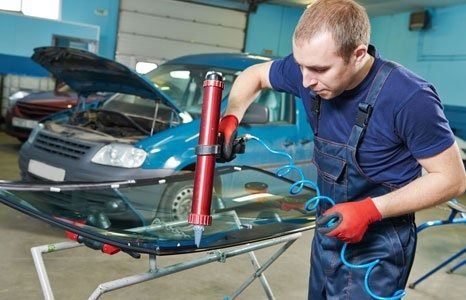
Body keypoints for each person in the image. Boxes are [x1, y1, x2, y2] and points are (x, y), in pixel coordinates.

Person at [216, 0, 466, 298]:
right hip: (327, 232)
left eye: (319, 69)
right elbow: (254, 75)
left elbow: (452, 178)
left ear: (358, 54)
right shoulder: (308, 71)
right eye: (300, 66)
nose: (306, 81)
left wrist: (370, 210)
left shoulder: (410, 97)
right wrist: (231, 115)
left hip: (378, 247)